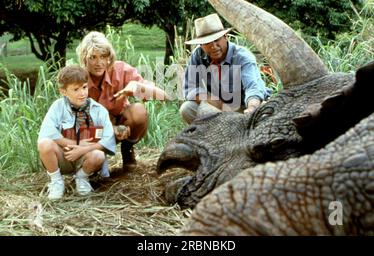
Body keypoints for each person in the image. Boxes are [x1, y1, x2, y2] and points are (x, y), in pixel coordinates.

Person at [76, 31, 168, 169]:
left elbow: (163, 96)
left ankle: (128, 148)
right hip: (92, 130)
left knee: (138, 111)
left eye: (103, 57)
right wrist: (109, 129)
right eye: (93, 57)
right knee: (92, 169)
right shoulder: (77, 79)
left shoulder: (121, 70)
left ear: (109, 57)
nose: (99, 63)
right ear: (84, 59)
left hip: (122, 125)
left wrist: (138, 88)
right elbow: (76, 122)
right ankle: (95, 160)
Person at [37, 65, 116, 200]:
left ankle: (82, 178)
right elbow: (48, 132)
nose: (82, 93)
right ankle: (56, 181)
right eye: (76, 89)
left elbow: (108, 139)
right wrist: (75, 143)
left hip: (86, 157)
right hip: (64, 155)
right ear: (63, 91)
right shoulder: (57, 107)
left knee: (98, 155)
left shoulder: (99, 110)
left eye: (84, 87)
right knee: (44, 143)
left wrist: (82, 149)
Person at [180, 13, 271, 123]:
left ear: (225, 37)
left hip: (243, 106)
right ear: (201, 45)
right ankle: (212, 137)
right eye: (207, 43)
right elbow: (190, 88)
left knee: (264, 112)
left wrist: (251, 109)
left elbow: (253, 87)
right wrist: (218, 104)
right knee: (188, 108)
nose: (213, 46)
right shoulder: (197, 55)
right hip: (218, 106)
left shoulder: (243, 56)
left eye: (217, 40)